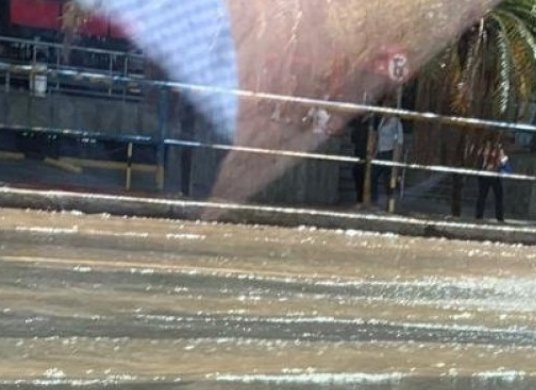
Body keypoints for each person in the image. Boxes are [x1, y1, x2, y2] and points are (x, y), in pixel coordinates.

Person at [69, 0, 500, 203]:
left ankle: (184, 189)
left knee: (189, 153)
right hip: (195, 125)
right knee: (185, 152)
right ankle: (182, 189)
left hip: (200, 127)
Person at [374, 110, 404, 209]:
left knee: (389, 179)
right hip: (380, 151)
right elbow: (378, 137)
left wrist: (397, 157)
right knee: (373, 175)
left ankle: (391, 203)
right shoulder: (382, 120)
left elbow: (399, 140)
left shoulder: (395, 122)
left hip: (389, 152)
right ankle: (374, 201)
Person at [475, 140, 508, 223]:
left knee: (497, 196)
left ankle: (499, 217)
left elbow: (503, 160)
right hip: (487, 174)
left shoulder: (496, 148)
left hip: (493, 174)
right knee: (483, 196)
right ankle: (479, 216)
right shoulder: (487, 148)